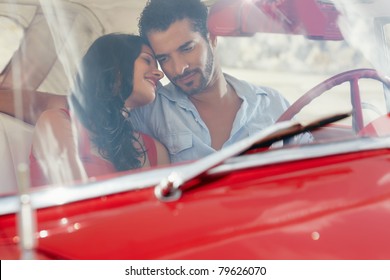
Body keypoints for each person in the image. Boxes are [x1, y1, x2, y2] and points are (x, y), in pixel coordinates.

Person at [131, 0, 312, 163]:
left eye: (187, 48)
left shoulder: (272, 103)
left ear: (212, 37)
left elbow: (310, 170)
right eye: (164, 59)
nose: (178, 68)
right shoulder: (149, 110)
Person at [29, 33, 170, 186]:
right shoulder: (57, 123)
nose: (159, 74)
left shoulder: (157, 151)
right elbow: (76, 196)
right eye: (147, 60)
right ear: (116, 66)